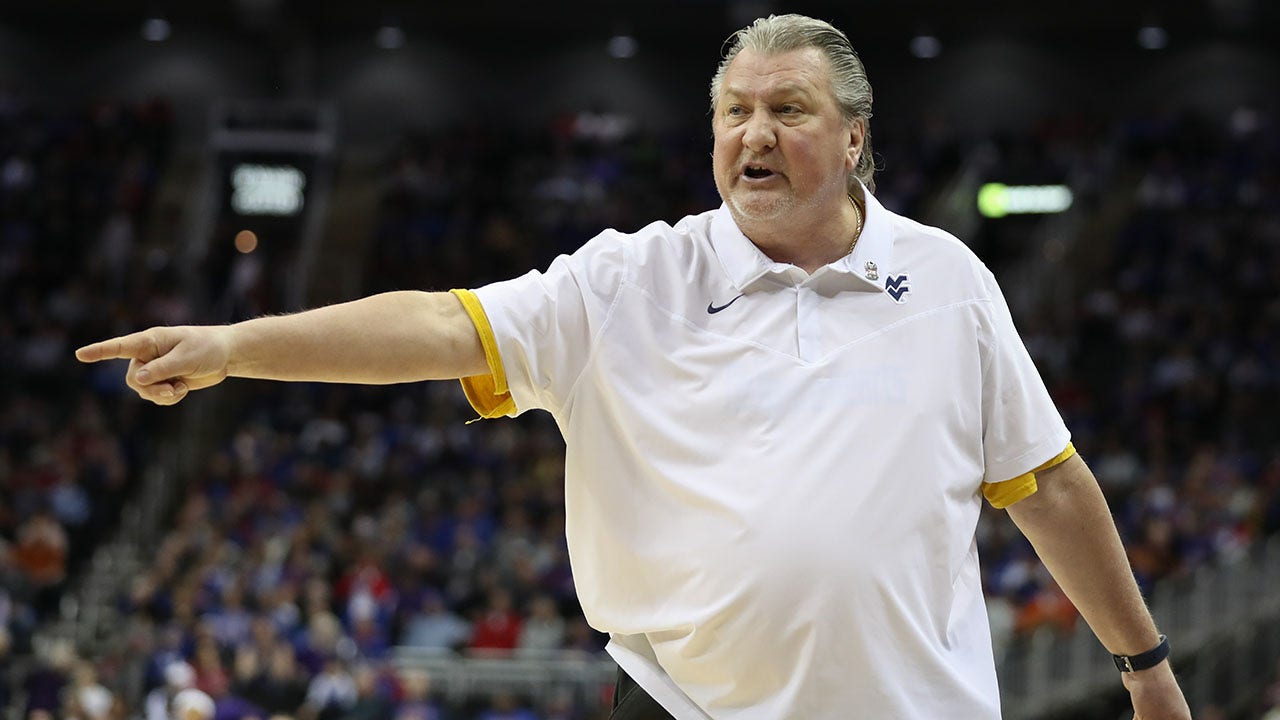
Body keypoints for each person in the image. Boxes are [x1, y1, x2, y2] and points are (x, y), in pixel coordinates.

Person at [77, 13, 1190, 719]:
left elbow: (1047, 486)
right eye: (734, 112)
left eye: (788, 110)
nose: (754, 134)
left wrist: (1145, 669)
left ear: (854, 137)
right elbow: (437, 327)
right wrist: (237, 346)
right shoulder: (627, 280)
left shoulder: (948, 279)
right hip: (679, 706)